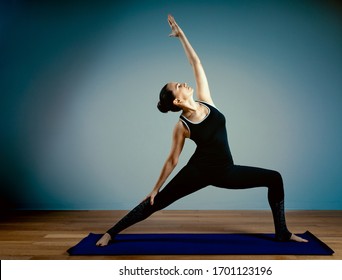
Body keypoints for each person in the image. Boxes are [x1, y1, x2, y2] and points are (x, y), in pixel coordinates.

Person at [96, 15, 307, 246]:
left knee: (274, 178)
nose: (183, 83)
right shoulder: (182, 126)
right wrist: (155, 188)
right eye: (178, 86)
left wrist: (181, 36)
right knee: (157, 201)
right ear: (176, 101)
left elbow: (196, 63)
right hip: (197, 171)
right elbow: (172, 160)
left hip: (226, 171)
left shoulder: (206, 101)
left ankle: (282, 233)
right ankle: (111, 233)